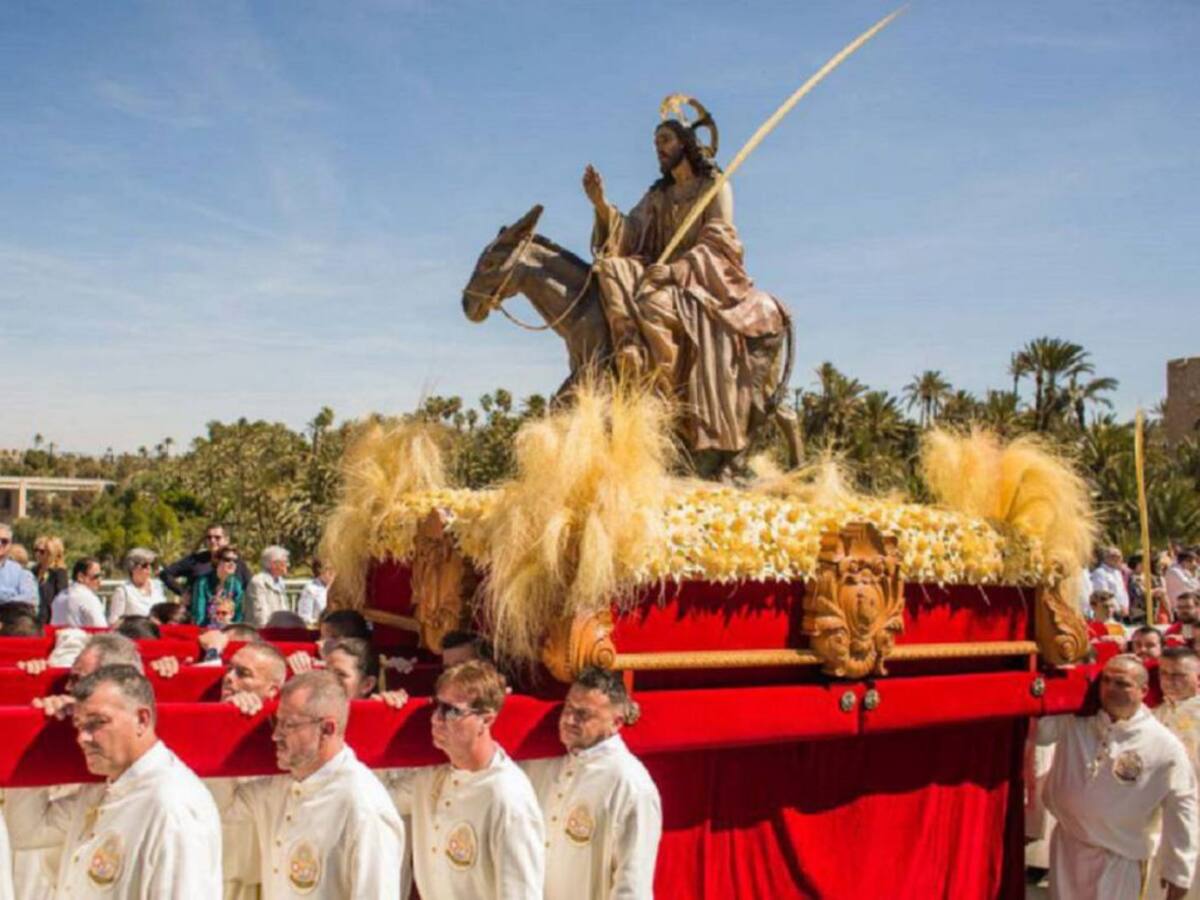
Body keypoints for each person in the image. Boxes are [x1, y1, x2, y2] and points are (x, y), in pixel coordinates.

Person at [584, 109, 785, 460]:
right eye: (655, 142)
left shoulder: (715, 189)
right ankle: (629, 344)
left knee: (652, 303)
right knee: (610, 267)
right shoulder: (658, 196)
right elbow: (628, 232)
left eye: (665, 140)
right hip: (657, 273)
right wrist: (601, 205)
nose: (657, 148)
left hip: (703, 282)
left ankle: (664, 394)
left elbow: (721, 245)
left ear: (686, 143)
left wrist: (677, 272)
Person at [4, 665, 222, 898]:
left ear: (142, 719)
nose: (82, 738)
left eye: (97, 722)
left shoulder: (173, 805)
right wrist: (39, 733)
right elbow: (27, 832)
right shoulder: (101, 788)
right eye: (78, 725)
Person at [217, 671, 405, 898]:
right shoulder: (275, 788)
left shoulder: (364, 805)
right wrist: (227, 721)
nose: (275, 735)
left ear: (327, 729)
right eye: (276, 722)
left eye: (289, 725)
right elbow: (218, 806)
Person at [1038, 655, 1198, 899]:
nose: (1111, 689)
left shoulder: (1164, 746)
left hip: (1120, 859)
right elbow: (1038, 734)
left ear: (1143, 690)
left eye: (1122, 684)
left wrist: (1178, 870)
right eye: (1106, 681)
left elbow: (1183, 807)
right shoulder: (1076, 721)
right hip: (1068, 846)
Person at [384, 660, 545, 899]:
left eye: (451, 711)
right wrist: (383, 715)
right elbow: (379, 799)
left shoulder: (508, 796)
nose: (436, 719)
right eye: (436, 707)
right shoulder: (429, 778)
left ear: (486, 720)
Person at [522, 667, 662, 900]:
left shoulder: (631, 785)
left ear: (616, 722)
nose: (568, 720)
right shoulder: (544, 763)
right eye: (568, 708)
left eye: (583, 714)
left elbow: (633, 883)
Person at [1155, 648, 1200, 898]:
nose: (1170, 681)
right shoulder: (1153, 712)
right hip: (1157, 813)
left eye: (1179, 675)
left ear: (1197, 678)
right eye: (1164, 674)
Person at [160, 523, 253, 601]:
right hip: (197, 614)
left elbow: (250, 587)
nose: (212, 540)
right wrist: (182, 592)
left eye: (217, 537)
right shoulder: (195, 560)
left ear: (226, 540)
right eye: (209, 537)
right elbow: (166, 574)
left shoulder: (237, 563)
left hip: (228, 615)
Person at [107, 547, 166, 624]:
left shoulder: (158, 586)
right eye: (145, 565)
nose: (149, 568)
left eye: (150, 564)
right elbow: (114, 621)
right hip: (136, 634)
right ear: (132, 568)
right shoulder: (123, 591)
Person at [190, 547, 245, 626]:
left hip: (228, 629)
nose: (232, 563)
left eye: (235, 561)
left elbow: (238, 615)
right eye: (227, 560)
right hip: (206, 628)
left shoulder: (236, 584)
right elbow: (199, 615)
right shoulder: (203, 582)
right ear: (217, 561)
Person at [49, 557, 106, 627]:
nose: (100, 581)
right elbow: (101, 630)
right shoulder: (89, 599)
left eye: (101, 576)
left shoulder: (59, 597)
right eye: (96, 576)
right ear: (80, 577)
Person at [246, 546, 290, 629]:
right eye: (285, 562)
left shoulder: (280, 581)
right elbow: (260, 613)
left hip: (279, 630)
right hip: (262, 632)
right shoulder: (258, 582)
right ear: (273, 564)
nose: (288, 564)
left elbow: (284, 608)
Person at [31, 535, 68, 625]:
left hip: (50, 619)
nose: (37, 554)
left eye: (42, 551)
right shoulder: (34, 570)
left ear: (52, 553)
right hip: (34, 617)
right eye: (36, 550)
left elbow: (61, 597)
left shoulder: (59, 572)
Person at [0, 523, 36, 607]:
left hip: (11, 614)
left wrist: (4, 602)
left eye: (4, 541)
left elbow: (29, 598)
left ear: (10, 545)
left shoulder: (20, 572)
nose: (0, 544)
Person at [296, 558, 333, 625]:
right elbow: (304, 618)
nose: (332, 572)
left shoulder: (336, 588)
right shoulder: (310, 589)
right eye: (328, 568)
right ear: (320, 570)